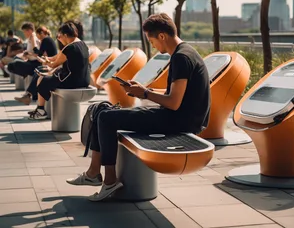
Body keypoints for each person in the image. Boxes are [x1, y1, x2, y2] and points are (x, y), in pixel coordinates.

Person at [66, 13, 211, 202]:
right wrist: (144, 89)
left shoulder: (181, 58)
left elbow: (174, 102)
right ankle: (93, 173)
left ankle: (109, 179)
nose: (152, 46)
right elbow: (177, 93)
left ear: (161, 36)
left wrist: (144, 94)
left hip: (180, 121)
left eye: (151, 41)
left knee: (106, 118)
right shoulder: (186, 51)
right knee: (103, 111)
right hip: (181, 117)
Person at [29, 22, 90, 120]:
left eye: (59, 36)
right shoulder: (82, 44)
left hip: (72, 82)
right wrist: (48, 60)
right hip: (84, 80)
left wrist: (44, 62)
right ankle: (39, 108)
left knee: (41, 79)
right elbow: (58, 58)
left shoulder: (69, 48)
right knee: (48, 76)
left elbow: (54, 64)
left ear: (65, 35)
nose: (58, 38)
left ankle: (41, 110)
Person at [14, 26, 57, 105]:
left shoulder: (46, 40)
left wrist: (34, 46)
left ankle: (29, 96)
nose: (38, 38)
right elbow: (41, 54)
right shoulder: (48, 40)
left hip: (51, 66)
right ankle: (29, 95)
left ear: (41, 33)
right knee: (37, 71)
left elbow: (39, 53)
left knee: (38, 72)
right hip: (49, 64)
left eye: (37, 36)